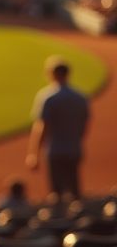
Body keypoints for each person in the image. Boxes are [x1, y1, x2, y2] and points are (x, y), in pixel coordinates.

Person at [26, 55, 90, 199]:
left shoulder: (48, 97)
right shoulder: (80, 97)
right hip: (74, 147)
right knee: (75, 188)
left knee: (57, 193)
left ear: (52, 74)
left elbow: (41, 126)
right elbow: (84, 124)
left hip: (55, 149)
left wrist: (33, 153)